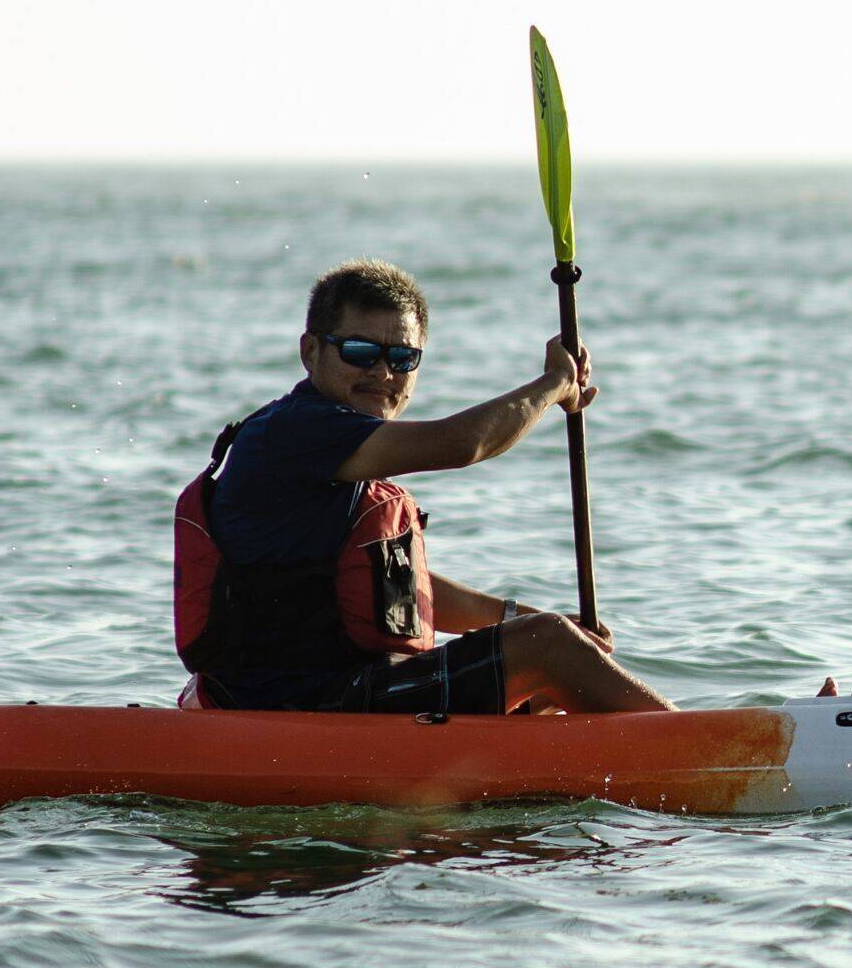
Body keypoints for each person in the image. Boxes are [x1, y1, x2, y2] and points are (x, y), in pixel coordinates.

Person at [175, 259, 673, 715]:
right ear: (310, 352)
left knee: (547, 677)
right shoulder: (294, 432)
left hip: (337, 689)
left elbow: (393, 588)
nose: (382, 372)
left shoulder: (340, 449)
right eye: (360, 351)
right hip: (299, 702)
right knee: (547, 647)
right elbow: (462, 444)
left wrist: (517, 616)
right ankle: (709, 758)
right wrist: (554, 387)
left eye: (402, 358)